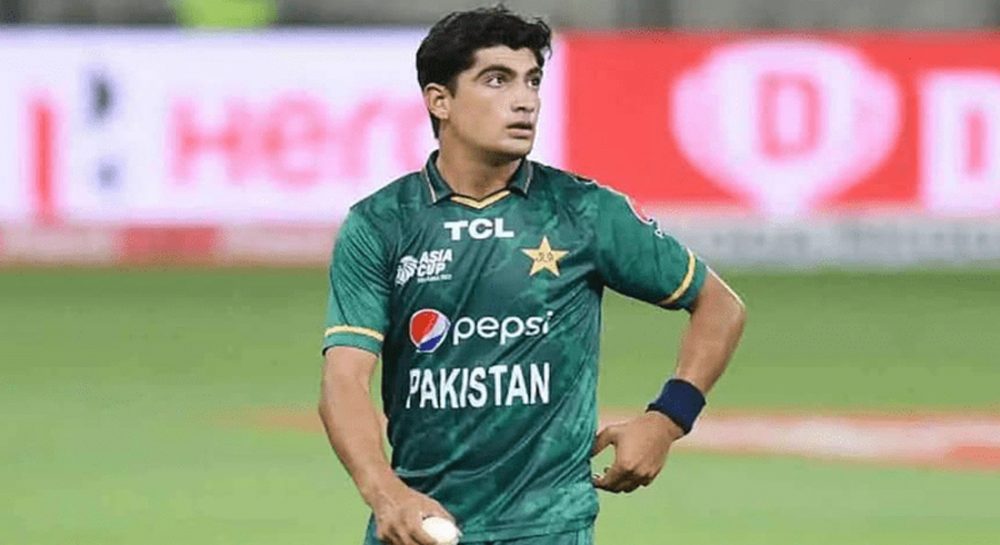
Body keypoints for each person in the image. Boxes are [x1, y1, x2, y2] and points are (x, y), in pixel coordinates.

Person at [318, 6, 746, 545]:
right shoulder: (381, 223)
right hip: (416, 525)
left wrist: (667, 419)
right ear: (440, 100)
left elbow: (720, 306)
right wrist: (387, 495)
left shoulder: (585, 211)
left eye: (533, 80)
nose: (525, 100)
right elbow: (343, 379)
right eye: (497, 80)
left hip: (548, 528)